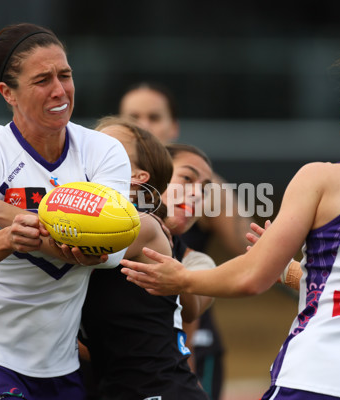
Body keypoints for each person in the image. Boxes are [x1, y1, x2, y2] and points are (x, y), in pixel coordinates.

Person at [120, 53, 340, 400]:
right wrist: (293, 270)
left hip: (320, 377)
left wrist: (182, 278)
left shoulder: (325, 177)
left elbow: (252, 278)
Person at [0, 23, 131, 400]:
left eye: (65, 75)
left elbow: (112, 252)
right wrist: (8, 239)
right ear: (7, 93)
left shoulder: (103, 152)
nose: (59, 90)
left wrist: (2, 213)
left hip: (61, 364)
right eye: (42, 80)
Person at [79, 117, 213, 399]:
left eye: (203, 188)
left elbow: (56, 250)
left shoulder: (143, 227)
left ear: (140, 178)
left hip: (159, 390)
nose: (195, 193)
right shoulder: (137, 224)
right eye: (186, 179)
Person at [120, 82, 234, 399]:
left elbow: (250, 254)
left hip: (172, 360)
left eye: (154, 117)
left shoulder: (192, 251)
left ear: (173, 126)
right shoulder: (100, 201)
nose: (143, 127)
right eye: (133, 117)